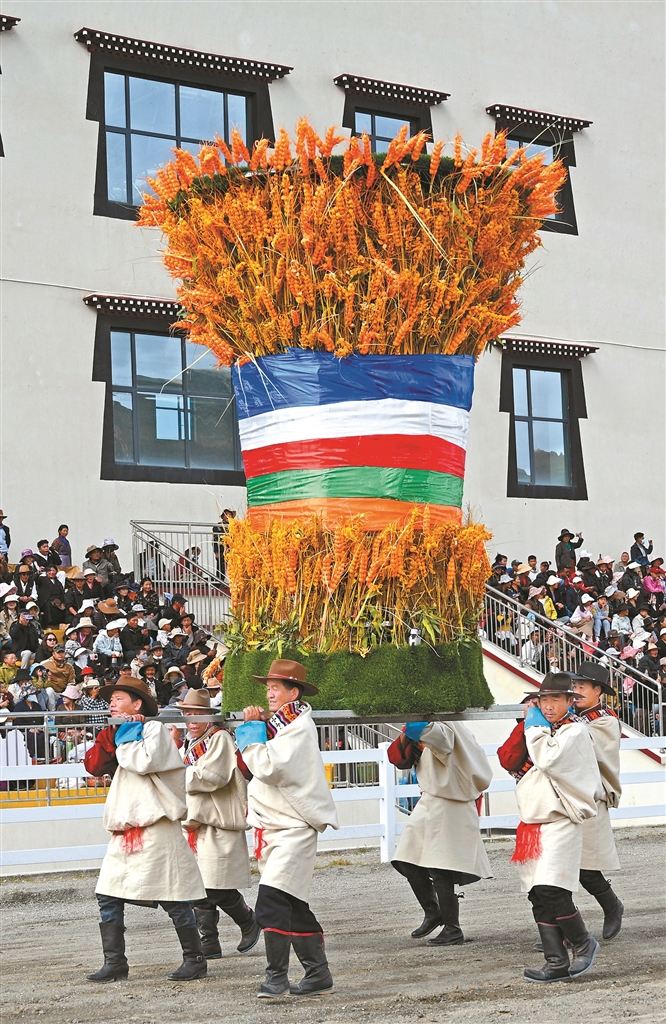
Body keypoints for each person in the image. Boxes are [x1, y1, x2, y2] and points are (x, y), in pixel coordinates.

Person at [83, 677, 208, 983]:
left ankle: (195, 958)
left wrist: (127, 734)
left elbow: (141, 761)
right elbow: (93, 766)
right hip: (126, 827)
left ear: (137, 704)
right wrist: (113, 733)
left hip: (156, 826)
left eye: (119, 698)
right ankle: (115, 963)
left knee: (173, 895)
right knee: (107, 894)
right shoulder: (117, 730)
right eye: (111, 699)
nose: (112, 703)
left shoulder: (155, 729)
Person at [236, 659, 338, 998]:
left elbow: (267, 767)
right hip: (277, 826)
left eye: (275, 688)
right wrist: (256, 729)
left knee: (271, 900)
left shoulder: (297, 726)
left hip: (293, 827)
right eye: (268, 688)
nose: (269, 693)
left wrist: (251, 730)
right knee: (292, 904)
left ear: (294, 693)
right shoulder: (282, 724)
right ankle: (318, 973)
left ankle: (276, 977)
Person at [498, 672, 601, 983]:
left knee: (551, 889)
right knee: (537, 894)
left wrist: (533, 726)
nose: (549, 706)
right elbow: (508, 759)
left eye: (556, 699)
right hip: (534, 821)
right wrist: (525, 725)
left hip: (560, 820)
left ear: (570, 701)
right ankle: (555, 960)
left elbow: (546, 759)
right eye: (544, 700)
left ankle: (582, 942)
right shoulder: (543, 729)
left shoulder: (574, 731)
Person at [388, 719, 492, 947]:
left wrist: (414, 722)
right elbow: (397, 758)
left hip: (448, 802)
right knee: (405, 858)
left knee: (440, 866)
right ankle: (434, 912)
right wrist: (410, 728)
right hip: (432, 800)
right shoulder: (438, 725)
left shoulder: (445, 726)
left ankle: (452, 928)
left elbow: (440, 739)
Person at [179, 687, 261, 958]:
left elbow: (211, 776)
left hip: (219, 819)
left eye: (197, 714)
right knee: (198, 884)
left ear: (209, 716)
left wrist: (177, 775)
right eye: (188, 714)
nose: (192, 720)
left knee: (214, 885)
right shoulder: (191, 742)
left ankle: (248, 920)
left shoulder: (219, 738)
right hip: (199, 821)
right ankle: (209, 940)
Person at [570, 662, 624, 940]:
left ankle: (612, 906)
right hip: (566, 798)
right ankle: (564, 929)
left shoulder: (605, 721)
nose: (576, 691)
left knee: (587, 870)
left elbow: (584, 747)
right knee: (561, 868)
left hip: (592, 799)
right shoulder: (573, 718)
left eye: (582, 686)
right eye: (574, 686)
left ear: (598, 691)